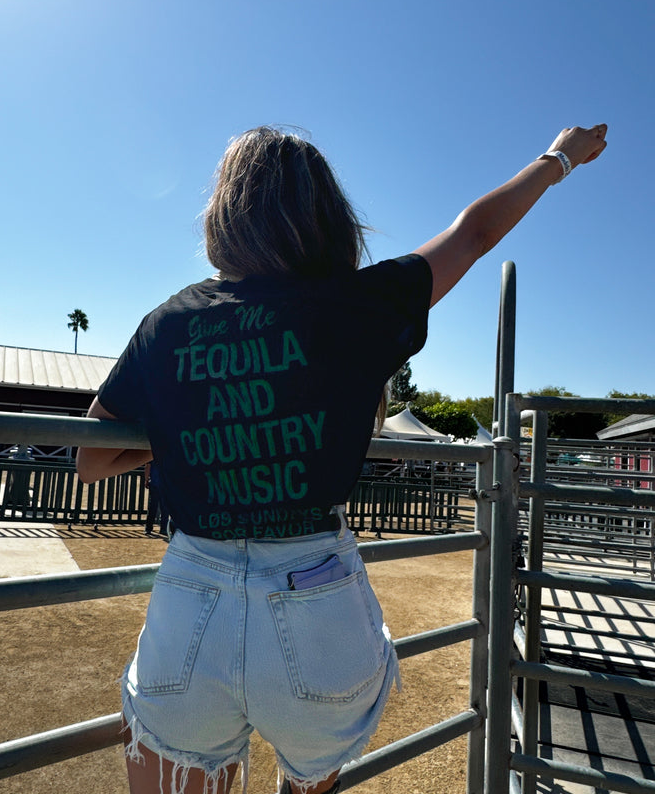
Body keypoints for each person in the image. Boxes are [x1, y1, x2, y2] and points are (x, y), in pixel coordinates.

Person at [76, 123, 607, 794]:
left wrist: (197, 426)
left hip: (191, 593)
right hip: (317, 596)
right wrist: (560, 158)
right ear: (323, 214)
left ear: (224, 212)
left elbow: (91, 457)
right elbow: (474, 233)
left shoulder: (168, 323)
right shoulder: (358, 305)